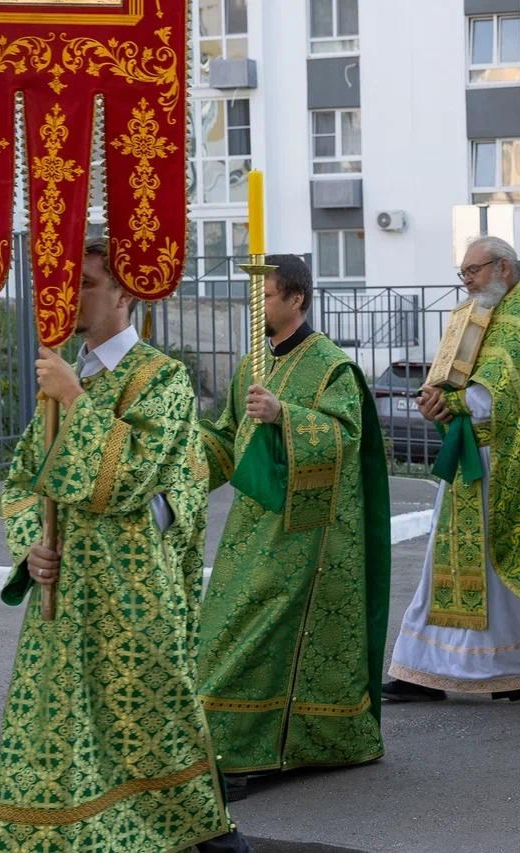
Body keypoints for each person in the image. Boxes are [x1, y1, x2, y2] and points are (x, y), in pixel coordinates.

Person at [0, 237, 245, 850]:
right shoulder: (67, 370)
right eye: (64, 284)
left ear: (126, 293)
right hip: (64, 588)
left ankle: (196, 834)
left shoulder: (162, 379)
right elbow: (24, 478)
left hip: (132, 594)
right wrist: (31, 546)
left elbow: (129, 481)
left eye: (86, 284)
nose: (69, 297)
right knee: (59, 726)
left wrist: (75, 399)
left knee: (152, 722)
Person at [197, 255, 391, 795]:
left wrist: (286, 415)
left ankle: (247, 755)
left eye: (264, 295)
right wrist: (180, 471)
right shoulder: (250, 364)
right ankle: (231, 747)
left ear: (296, 299)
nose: (254, 306)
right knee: (224, 630)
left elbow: (345, 437)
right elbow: (226, 435)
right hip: (251, 528)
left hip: (312, 531)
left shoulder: (331, 365)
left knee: (260, 633)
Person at [383, 237, 520, 701]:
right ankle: (427, 668)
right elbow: (455, 377)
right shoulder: (488, 312)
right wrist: (433, 397)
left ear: (502, 267)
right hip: (479, 458)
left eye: (472, 272)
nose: (466, 283)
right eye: (462, 274)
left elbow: (497, 397)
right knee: (473, 568)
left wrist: (451, 402)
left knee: (517, 565)